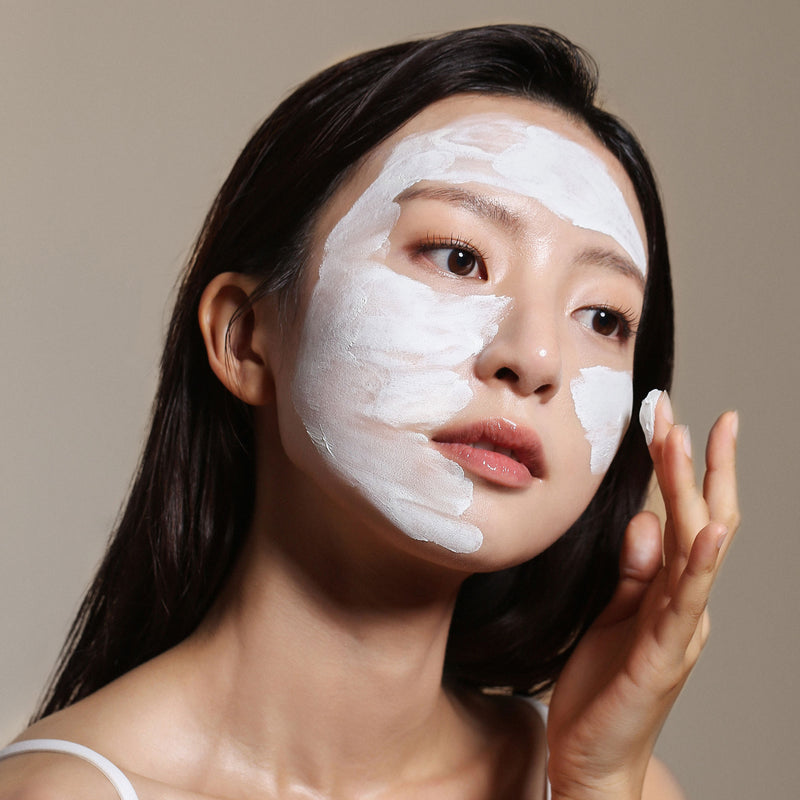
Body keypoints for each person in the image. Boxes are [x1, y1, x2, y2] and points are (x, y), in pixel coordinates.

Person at [0, 24, 739, 800]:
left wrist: (599, 780)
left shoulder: (613, 784)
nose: (538, 359)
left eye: (603, 318)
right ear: (246, 337)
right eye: (460, 256)